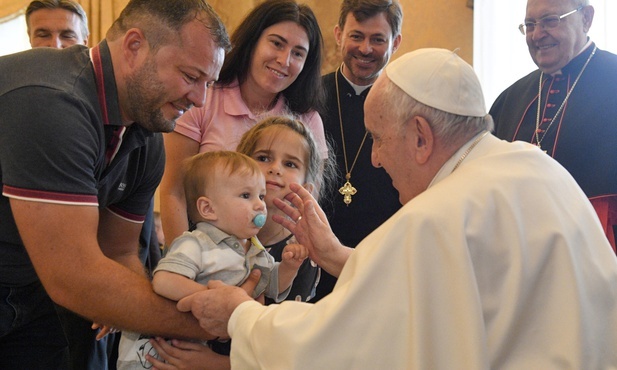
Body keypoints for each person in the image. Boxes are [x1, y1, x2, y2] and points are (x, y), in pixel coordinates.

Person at [178, 48, 617, 369]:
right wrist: (334, 255)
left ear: (422, 138)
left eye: (378, 138)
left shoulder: (438, 215)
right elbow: (448, 285)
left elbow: (339, 346)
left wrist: (240, 314)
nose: (374, 158)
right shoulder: (533, 166)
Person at [0, 0, 232, 368]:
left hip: (33, 293)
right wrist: (214, 322)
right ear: (134, 46)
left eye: (209, 84)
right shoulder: (52, 101)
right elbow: (74, 276)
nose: (200, 99)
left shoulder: (148, 137)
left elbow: (119, 253)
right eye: (190, 77)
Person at [145, 116, 333, 369]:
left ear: (306, 188)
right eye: (264, 158)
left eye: (289, 163)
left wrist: (217, 364)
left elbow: (286, 344)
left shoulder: (300, 253)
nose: (275, 168)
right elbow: (167, 284)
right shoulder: (201, 235)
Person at [117, 151, 308, 369]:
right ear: (208, 209)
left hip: (190, 349)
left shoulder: (255, 251)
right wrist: (215, 299)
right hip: (152, 350)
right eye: (246, 196)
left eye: (261, 196)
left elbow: (272, 286)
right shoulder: (196, 243)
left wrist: (289, 267)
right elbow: (165, 281)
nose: (260, 205)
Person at [159, 0, 328, 244]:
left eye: (298, 53)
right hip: (203, 250)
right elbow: (173, 191)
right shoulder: (203, 98)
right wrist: (186, 261)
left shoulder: (308, 119)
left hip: (280, 256)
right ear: (253, 41)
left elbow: (308, 204)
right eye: (277, 43)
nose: (284, 60)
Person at [489, 0, 617, 251]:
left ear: (586, 18)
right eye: (529, 24)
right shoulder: (510, 99)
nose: (537, 35)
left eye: (550, 21)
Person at [314, 0, 403, 302]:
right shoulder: (308, 96)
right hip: (310, 262)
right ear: (339, 35)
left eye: (378, 39)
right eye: (356, 36)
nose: (365, 49)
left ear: (396, 42)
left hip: (381, 267)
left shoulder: (406, 107)